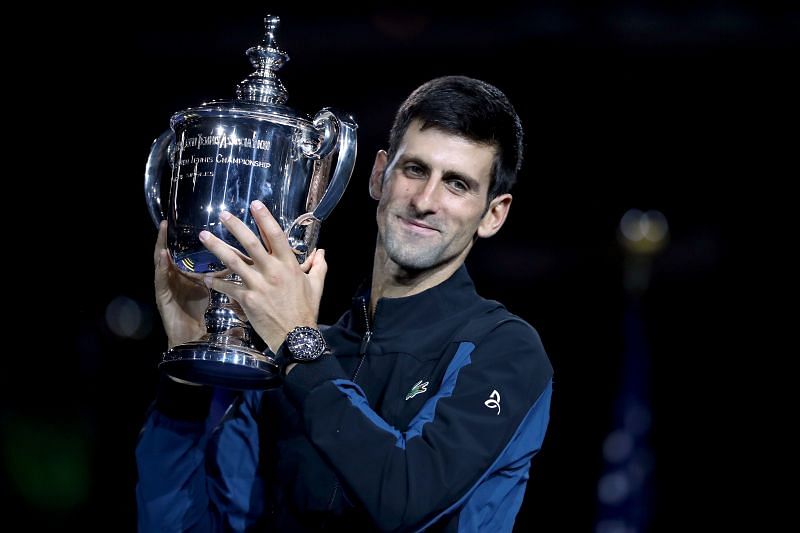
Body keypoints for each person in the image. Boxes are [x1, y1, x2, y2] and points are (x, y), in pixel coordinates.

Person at [136, 75, 554, 532]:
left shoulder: (504, 351)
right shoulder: (299, 359)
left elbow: (404, 499)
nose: (425, 201)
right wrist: (186, 382)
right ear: (379, 175)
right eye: (414, 169)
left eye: (457, 184)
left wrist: (297, 342)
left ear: (493, 214)